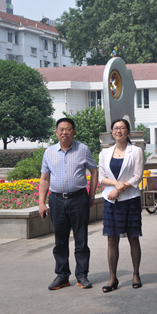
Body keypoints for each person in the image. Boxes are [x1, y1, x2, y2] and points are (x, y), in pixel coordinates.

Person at [39, 118, 98, 290]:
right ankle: (62, 275)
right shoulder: (49, 152)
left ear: (74, 132)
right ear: (56, 132)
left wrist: (92, 195)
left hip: (79, 199)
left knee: (81, 239)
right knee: (60, 241)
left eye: (68, 129)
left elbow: (94, 171)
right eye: (61, 129)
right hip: (56, 200)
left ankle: (82, 275)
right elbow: (44, 178)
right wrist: (41, 203)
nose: (65, 132)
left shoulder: (83, 149)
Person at [98, 119, 145, 293]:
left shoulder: (136, 151)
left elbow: (137, 176)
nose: (119, 131)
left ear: (128, 132)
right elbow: (102, 177)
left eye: (122, 128)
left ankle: (136, 274)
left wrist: (120, 189)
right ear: (112, 132)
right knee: (112, 239)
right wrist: (116, 185)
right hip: (110, 200)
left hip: (130, 199)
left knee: (133, 237)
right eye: (116, 128)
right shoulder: (105, 152)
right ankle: (112, 278)